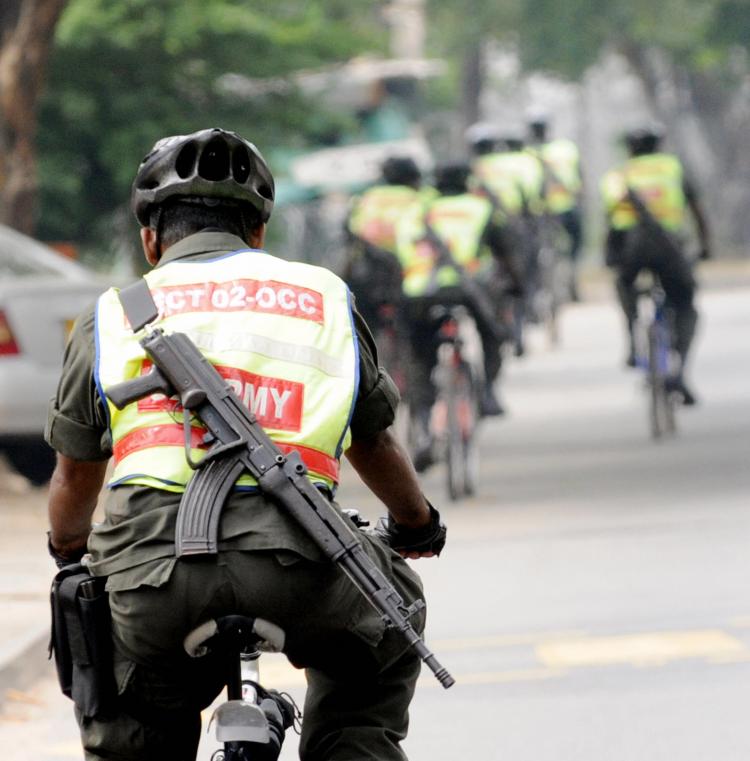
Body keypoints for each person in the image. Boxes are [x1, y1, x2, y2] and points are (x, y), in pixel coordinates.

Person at [45, 127, 446, 761]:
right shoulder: (323, 297)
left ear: (150, 239)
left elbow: (73, 475)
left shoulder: (113, 314)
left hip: (153, 587)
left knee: (122, 691)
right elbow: (376, 443)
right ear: (258, 233)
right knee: (389, 623)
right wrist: (417, 524)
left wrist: (69, 547)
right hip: (308, 570)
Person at [394, 160, 524, 469]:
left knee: (420, 355)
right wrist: (518, 287)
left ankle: (424, 424)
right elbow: (505, 252)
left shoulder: (416, 212)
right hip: (470, 290)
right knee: (492, 334)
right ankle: (489, 392)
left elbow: (403, 255)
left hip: (421, 292)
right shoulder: (481, 208)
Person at [600, 124, 711, 404]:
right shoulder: (672, 168)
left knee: (624, 285)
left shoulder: (618, 175)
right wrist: (706, 247)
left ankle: (632, 336)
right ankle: (680, 373)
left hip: (631, 249)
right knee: (686, 307)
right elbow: (697, 211)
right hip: (669, 248)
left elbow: (609, 218)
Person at [526, 109, 585, 300]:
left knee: (529, 248)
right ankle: (572, 269)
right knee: (577, 241)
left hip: (539, 213)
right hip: (567, 209)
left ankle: (535, 288)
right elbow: (580, 180)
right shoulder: (566, 149)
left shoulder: (526, 154)